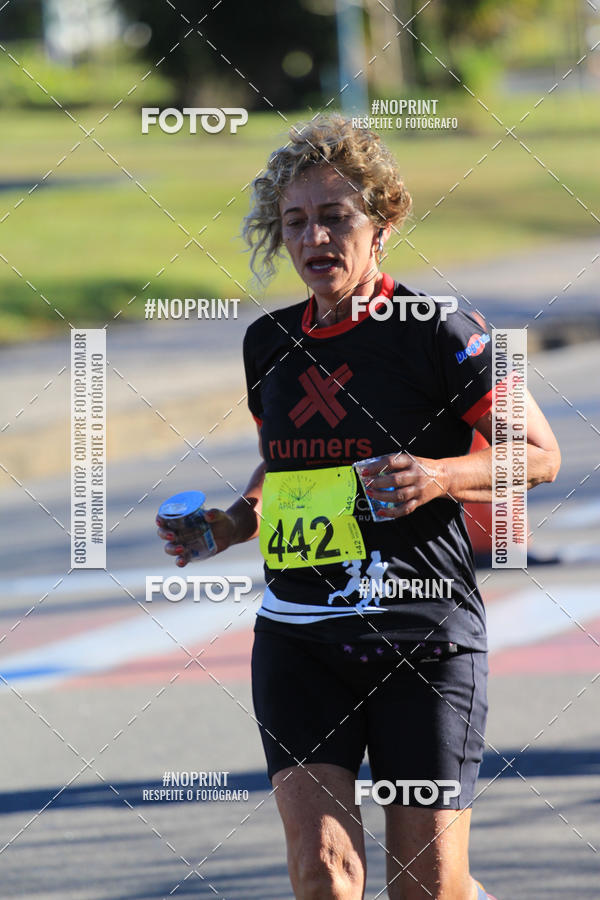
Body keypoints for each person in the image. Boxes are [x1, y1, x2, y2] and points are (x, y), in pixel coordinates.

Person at [157, 115, 561, 900]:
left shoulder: (443, 331)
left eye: (336, 217)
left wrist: (440, 476)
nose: (316, 238)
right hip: (302, 639)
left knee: (427, 885)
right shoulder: (268, 344)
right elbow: (283, 465)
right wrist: (232, 522)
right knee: (325, 877)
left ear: (383, 221)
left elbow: (541, 456)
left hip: (424, 637)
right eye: (297, 221)